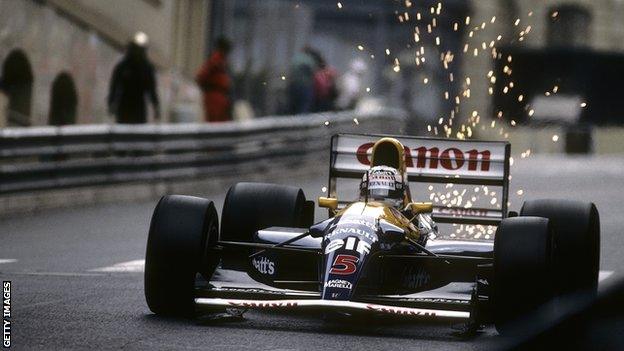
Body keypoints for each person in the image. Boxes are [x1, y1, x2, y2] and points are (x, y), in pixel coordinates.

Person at [108, 32, 160, 124]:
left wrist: (156, 107)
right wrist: (111, 103)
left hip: (139, 108)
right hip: (124, 106)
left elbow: (152, 90)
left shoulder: (146, 68)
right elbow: (114, 86)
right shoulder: (123, 66)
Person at [196, 37, 232, 122]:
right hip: (214, 95)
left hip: (220, 95)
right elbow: (201, 76)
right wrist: (207, 88)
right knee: (214, 122)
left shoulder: (222, 60)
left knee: (221, 122)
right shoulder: (215, 60)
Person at [287, 47, 317, 114]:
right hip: (305, 85)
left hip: (294, 84)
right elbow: (313, 72)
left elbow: (291, 71)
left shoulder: (295, 58)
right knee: (304, 105)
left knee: (293, 105)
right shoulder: (309, 60)